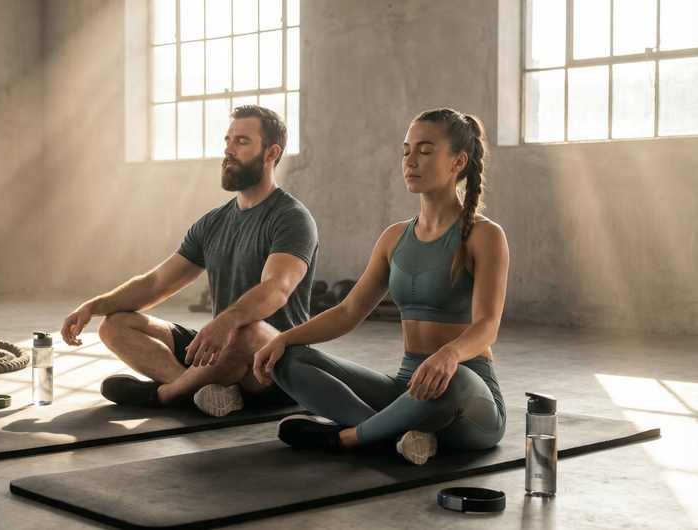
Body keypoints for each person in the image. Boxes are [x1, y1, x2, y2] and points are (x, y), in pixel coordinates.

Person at [253, 108, 508, 465]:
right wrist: (283, 339)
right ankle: (398, 436)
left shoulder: (485, 235)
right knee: (289, 359)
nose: (411, 160)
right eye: (406, 151)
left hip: (465, 398)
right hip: (406, 388)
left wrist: (449, 354)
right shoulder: (393, 238)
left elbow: (487, 325)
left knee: (456, 381)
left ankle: (349, 438)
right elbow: (347, 311)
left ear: (458, 161)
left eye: (425, 150)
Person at [61, 105, 318, 417]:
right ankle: (202, 391)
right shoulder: (213, 222)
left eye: (242, 142)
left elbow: (277, 288)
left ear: (270, 153)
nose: (228, 150)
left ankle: (167, 393)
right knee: (114, 324)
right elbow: (156, 283)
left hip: (274, 363)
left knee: (247, 331)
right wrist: (94, 305)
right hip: (224, 350)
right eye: (228, 140)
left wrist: (226, 320)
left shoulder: (291, 218)